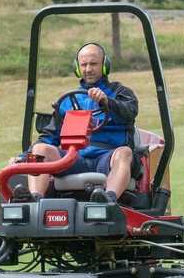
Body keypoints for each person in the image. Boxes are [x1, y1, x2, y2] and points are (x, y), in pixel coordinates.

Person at [9, 42, 139, 204]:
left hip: (108, 157)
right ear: (77, 68)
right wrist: (24, 157)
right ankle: (35, 200)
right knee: (40, 149)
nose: (88, 69)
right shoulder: (68, 101)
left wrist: (107, 102)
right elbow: (49, 136)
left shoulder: (120, 93)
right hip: (74, 158)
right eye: (84, 65)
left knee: (125, 152)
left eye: (93, 64)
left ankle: (108, 200)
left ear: (105, 65)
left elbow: (129, 112)